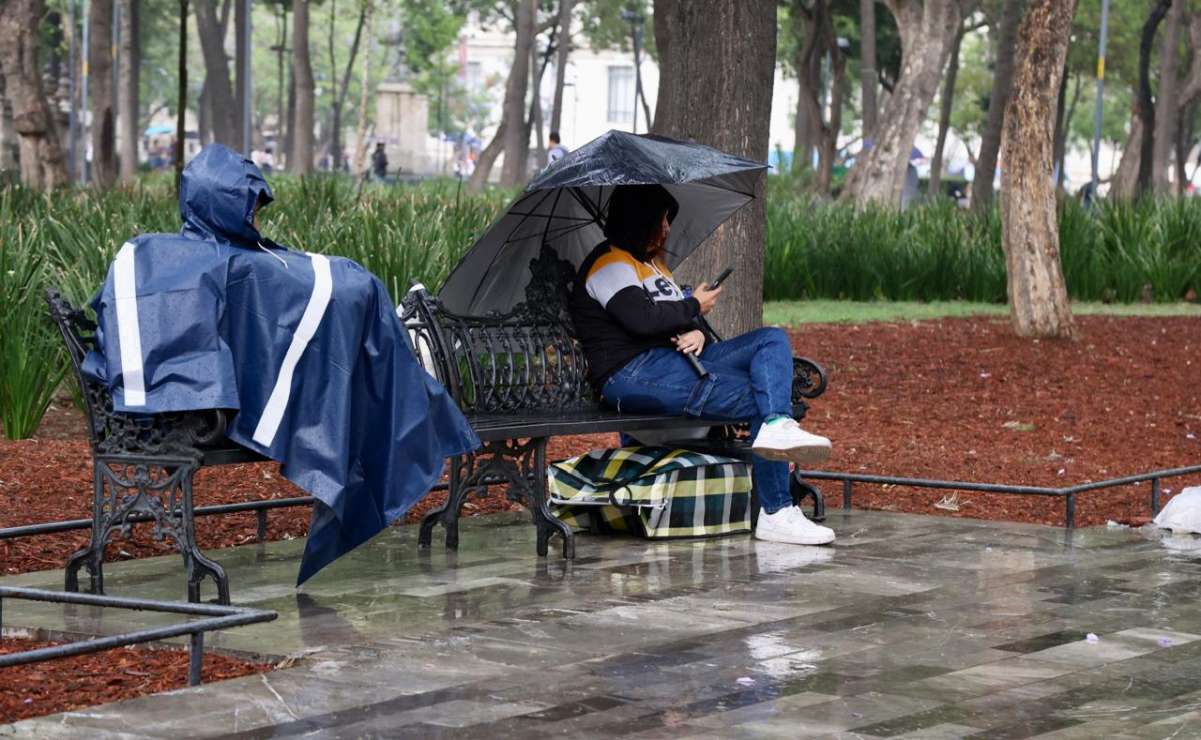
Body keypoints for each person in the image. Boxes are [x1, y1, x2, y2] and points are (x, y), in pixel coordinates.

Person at [87, 143, 479, 583]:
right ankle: (413, 362)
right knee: (361, 318)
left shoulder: (203, 259)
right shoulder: (210, 263)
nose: (257, 217)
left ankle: (409, 360)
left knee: (359, 320)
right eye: (250, 207)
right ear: (226, 205)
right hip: (200, 420)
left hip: (324, 336)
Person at [569, 184, 835, 546]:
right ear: (640, 220)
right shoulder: (610, 265)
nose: (666, 229)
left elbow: (669, 315)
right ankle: (776, 511)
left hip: (680, 357)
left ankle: (776, 425)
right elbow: (641, 320)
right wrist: (694, 307)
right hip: (632, 372)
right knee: (758, 396)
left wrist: (696, 331)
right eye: (662, 220)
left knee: (771, 340)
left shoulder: (652, 264)